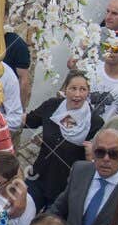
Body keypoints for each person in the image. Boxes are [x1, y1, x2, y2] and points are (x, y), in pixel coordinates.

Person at [22, 71, 92, 207]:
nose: (77, 94)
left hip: (64, 188)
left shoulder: (93, 122)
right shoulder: (52, 106)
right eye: (73, 88)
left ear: (88, 92)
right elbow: (29, 121)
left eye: (83, 89)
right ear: (65, 89)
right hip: (38, 177)